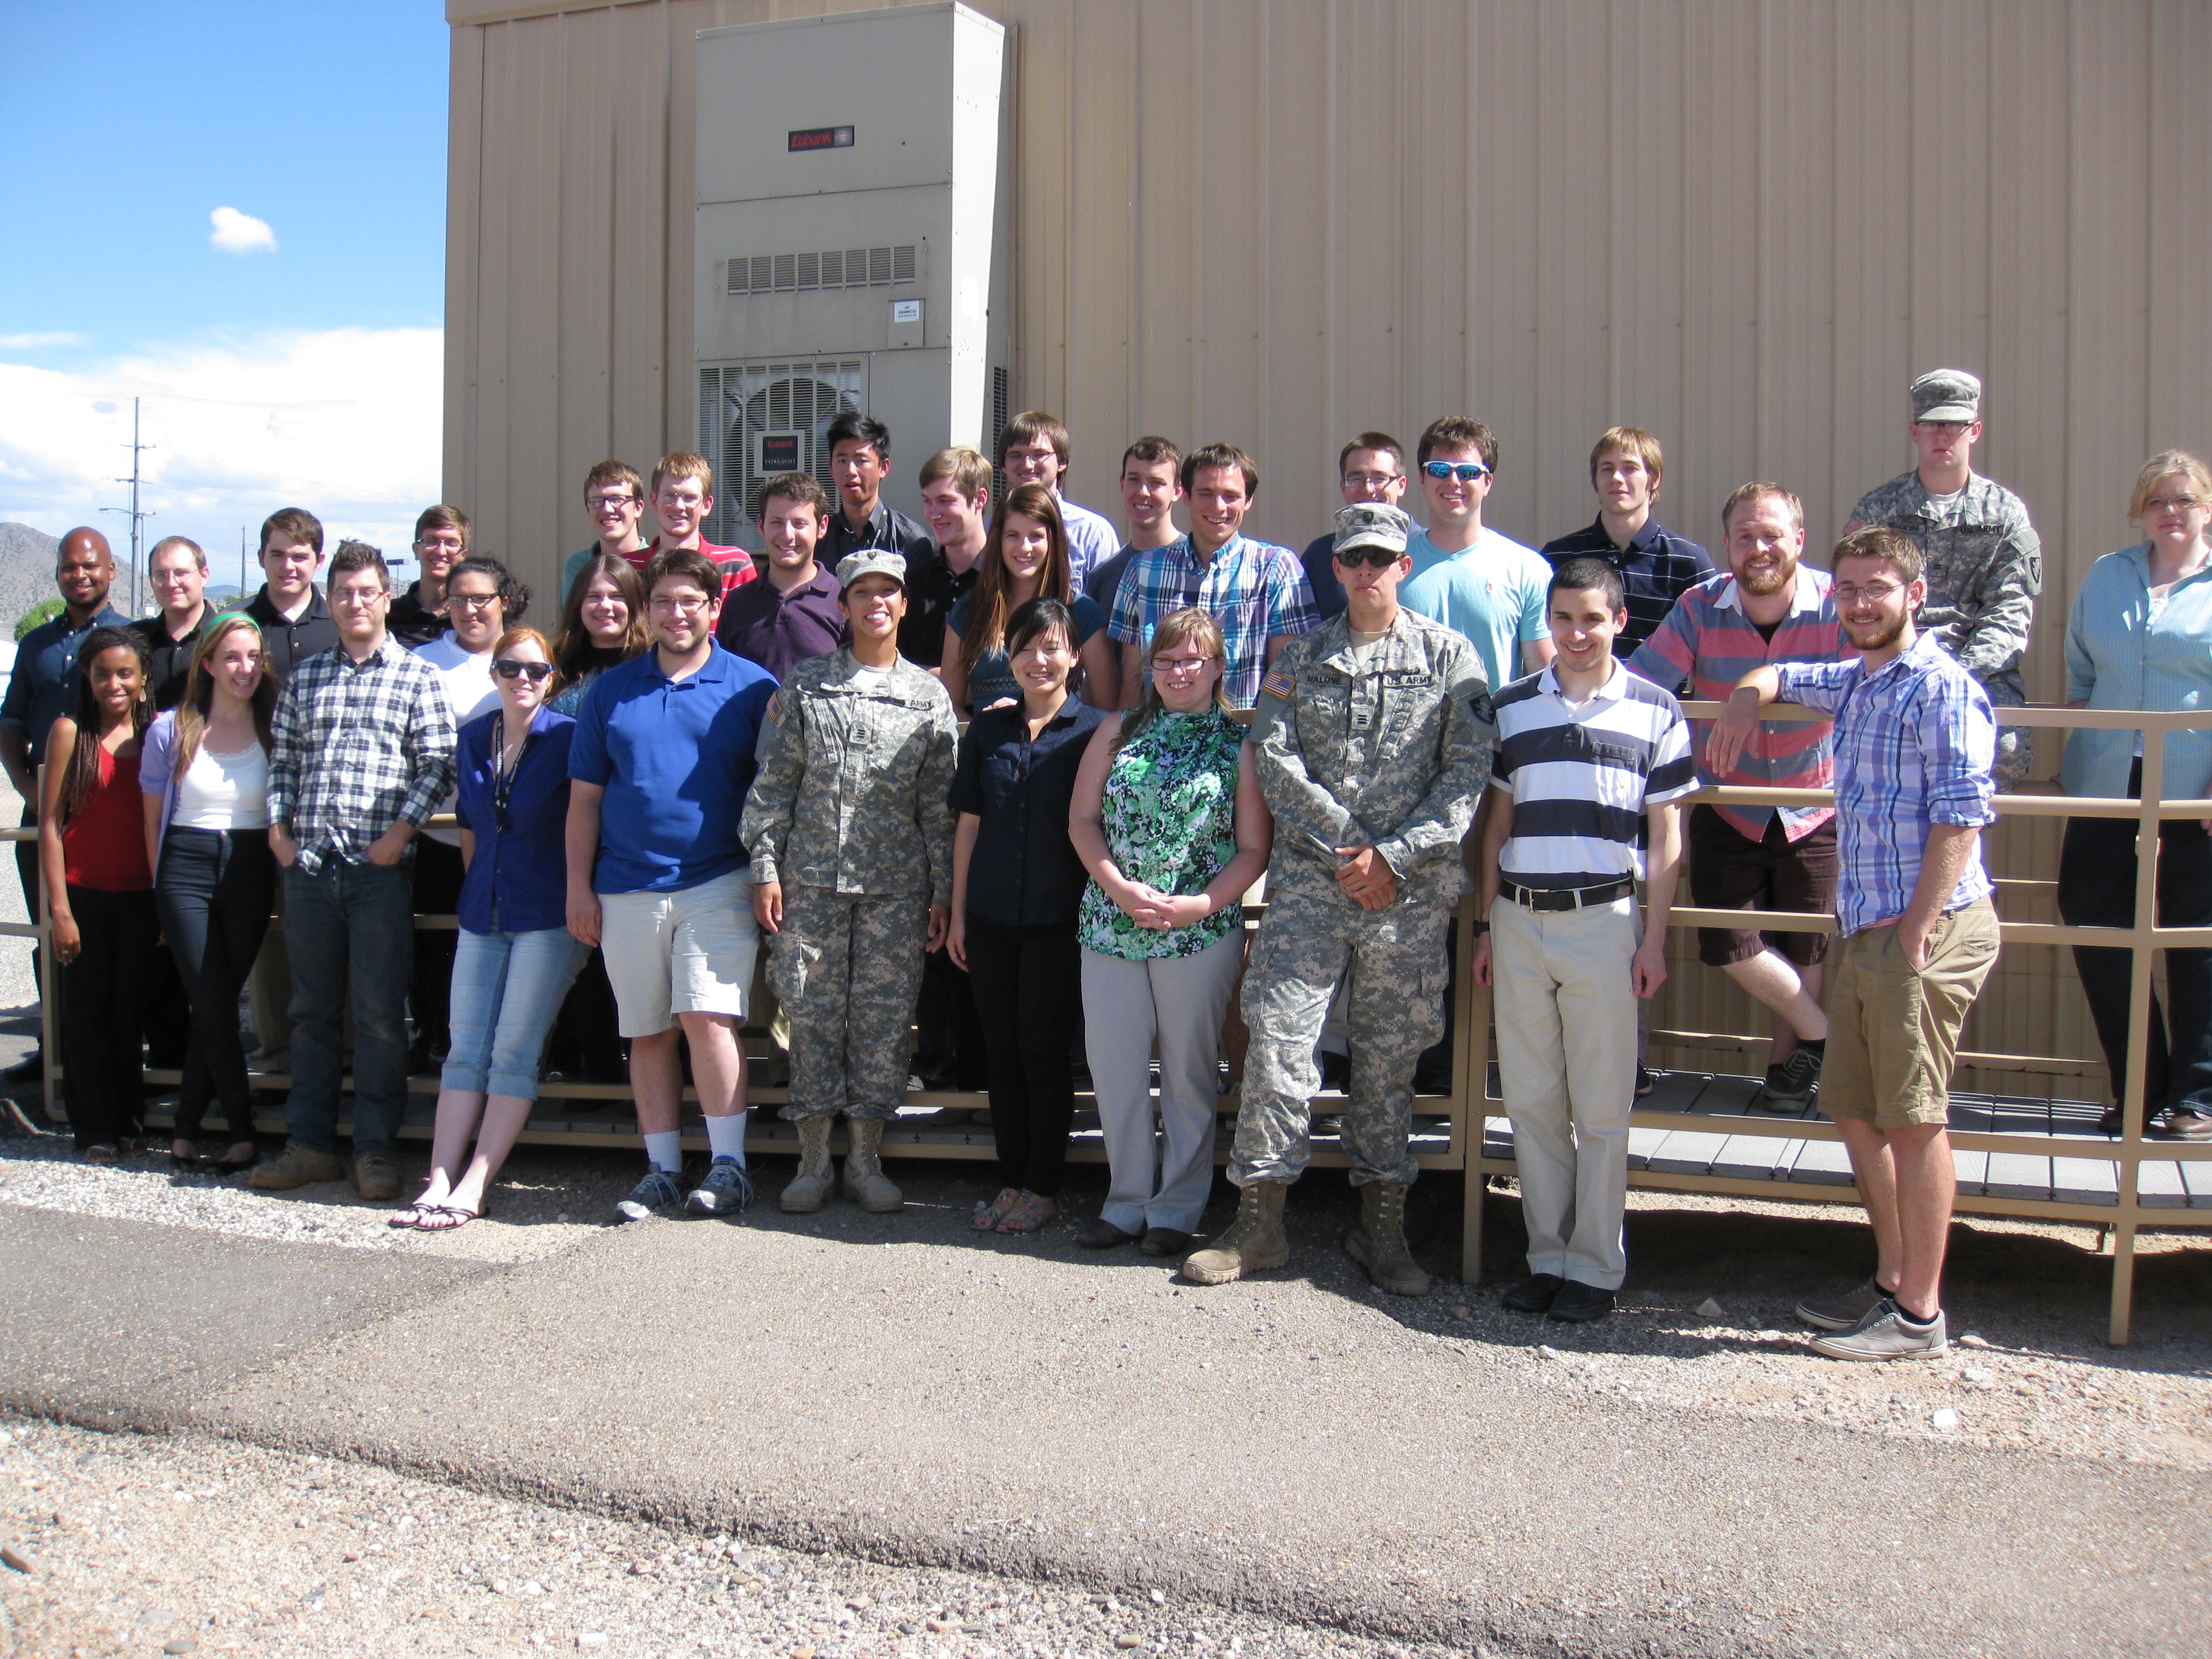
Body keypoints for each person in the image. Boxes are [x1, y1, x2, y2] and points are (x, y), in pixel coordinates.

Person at [1183, 504, 1493, 1295]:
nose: (1365, 572)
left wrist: (1393, 856)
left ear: (1404, 566)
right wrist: (1352, 847)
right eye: (1353, 558)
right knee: (1278, 1044)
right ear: (1337, 567)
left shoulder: (1450, 657)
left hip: (1407, 896)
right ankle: (1260, 1223)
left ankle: (1380, 1228)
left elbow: (1467, 773)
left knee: (1388, 1061)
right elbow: (1274, 756)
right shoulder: (1301, 658)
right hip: (1313, 891)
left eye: (1380, 559)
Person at [1709, 526, 2001, 1362]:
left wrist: (1916, 929)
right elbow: (1788, 675)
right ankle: (1892, 1281)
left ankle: (1919, 1315)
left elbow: (1961, 815)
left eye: (1879, 588)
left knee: (1914, 1119)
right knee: (1855, 1108)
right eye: (1848, 589)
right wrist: (1745, 694)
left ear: (1916, 594)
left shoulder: (1940, 688)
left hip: (1922, 931)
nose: (1862, 603)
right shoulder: (1860, 680)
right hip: (1868, 929)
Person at [1474, 558, 1696, 1324]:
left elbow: (1667, 838)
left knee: (1601, 1107)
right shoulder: (1513, 707)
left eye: (1592, 619)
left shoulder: (1657, 709)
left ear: (1619, 621)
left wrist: (1653, 940)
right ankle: (1547, 1257)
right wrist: (1486, 925)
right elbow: (1496, 827)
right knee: (1532, 1101)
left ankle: (1597, 1268)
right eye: (1563, 618)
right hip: (1518, 920)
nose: (1576, 634)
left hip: (1605, 922)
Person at [742, 551, 959, 1215]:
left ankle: (865, 1159)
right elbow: (775, 783)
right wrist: (765, 867)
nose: (876, 603)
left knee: (883, 1021)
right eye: (862, 592)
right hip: (810, 883)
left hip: (897, 889)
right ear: (844, 605)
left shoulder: (927, 695)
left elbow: (939, 805)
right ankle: (812, 1160)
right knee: (809, 1015)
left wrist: (943, 891)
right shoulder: (808, 685)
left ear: (904, 605)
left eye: (888, 592)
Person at [567, 549, 777, 1222]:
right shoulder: (611, 692)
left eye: (690, 601)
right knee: (649, 1031)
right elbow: (585, 800)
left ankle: (729, 1167)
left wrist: (768, 874)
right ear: (647, 610)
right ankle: (661, 1170)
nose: (676, 613)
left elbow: (775, 792)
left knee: (707, 1017)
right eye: (663, 601)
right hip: (625, 886)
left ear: (715, 608)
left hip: (718, 878)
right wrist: (578, 888)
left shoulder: (752, 688)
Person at [253, 542, 458, 1202]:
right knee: (311, 1014)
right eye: (343, 592)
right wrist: (280, 834)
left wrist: (399, 836)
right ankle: (309, 1145)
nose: (354, 603)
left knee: (378, 1016)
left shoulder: (417, 677)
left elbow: (438, 763)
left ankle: (374, 1149)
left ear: (385, 598)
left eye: (367, 591)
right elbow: (284, 762)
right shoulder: (306, 678)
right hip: (311, 868)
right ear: (331, 598)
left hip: (379, 871)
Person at [1629, 483, 1846, 1106]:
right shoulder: (1700, 605)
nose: (1759, 548)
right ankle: (1825, 1036)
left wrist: (1757, 693)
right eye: (1745, 536)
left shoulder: (1838, 604)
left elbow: (1863, 677)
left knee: (1805, 944)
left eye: (1772, 535)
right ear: (1726, 544)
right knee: (1727, 941)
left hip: (1816, 803)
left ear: (1799, 540)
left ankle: (1788, 1068)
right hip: (1727, 803)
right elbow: (1645, 681)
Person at [1069, 608, 1270, 1256]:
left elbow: (1253, 849)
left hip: (1197, 931)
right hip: (1112, 925)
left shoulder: (1239, 745)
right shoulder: (1117, 730)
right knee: (1116, 1068)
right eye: (1166, 660)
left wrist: (1199, 905)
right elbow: (1082, 820)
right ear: (1150, 668)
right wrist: (1120, 890)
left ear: (1218, 667)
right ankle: (1126, 1201)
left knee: (1188, 1070)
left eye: (1192, 660)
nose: (1178, 672)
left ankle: (1177, 1209)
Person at [395, 626, 589, 1230]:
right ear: (494, 674)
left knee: (512, 1052)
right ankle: (439, 1177)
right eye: (510, 668)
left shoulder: (568, 738)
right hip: (483, 911)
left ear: (551, 679)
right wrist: (480, 887)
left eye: (535, 670)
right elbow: (471, 826)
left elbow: (586, 821)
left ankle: (477, 1181)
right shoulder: (474, 737)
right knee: (464, 1051)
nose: (522, 679)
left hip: (547, 915)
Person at [2058, 451, 2212, 1142]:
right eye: (2156, 501)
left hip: (2195, 791)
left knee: (2194, 937)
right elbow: (2081, 669)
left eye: (2184, 500)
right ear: (2140, 512)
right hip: (2108, 782)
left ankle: (2198, 1097)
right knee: (2095, 923)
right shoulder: (2108, 575)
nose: (2169, 512)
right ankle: (2140, 1087)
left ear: (2207, 509)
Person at [949, 598, 1108, 1233]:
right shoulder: (988, 730)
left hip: (1058, 920)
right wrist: (959, 914)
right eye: (1025, 648)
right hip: (990, 915)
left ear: (1075, 656)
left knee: (1042, 1054)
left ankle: (1042, 1188)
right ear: (1008, 658)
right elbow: (969, 825)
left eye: (1052, 647)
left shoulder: (1098, 731)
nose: (1038, 660)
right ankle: (1010, 1180)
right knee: (1001, 1054)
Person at [1843, 369, 2041, 787]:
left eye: (1955, 425)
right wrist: (1906, 669)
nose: (1943, 435)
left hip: (1980, 672)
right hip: (1894, 663)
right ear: (1915, 431)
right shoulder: (1880, 509)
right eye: (1932, 424)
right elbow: (1858, 599)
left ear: (1975, 431)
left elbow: (2010, 613)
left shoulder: (2005, 514)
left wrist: (1954, 675)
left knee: (2003, 752)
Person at [139, 612, 279, 1173]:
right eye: (232, 657)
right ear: (208, 664)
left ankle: (186, 1126)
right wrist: (158, 892)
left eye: (254, 657)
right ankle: (242, 1132)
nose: (245, 668)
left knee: (215, 1003)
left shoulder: (275, 725)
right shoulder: (170, 730)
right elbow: (152, 822)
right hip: (184, 867)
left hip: (250, 867)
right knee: (214, 1000)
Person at [0, 527, 128, 1084]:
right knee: (50, 929)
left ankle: (119, 1051)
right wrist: (31, 791)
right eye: (69, 567)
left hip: (111, 811)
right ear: (57, 573)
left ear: (110, 571)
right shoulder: (36, 646)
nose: (80, 575)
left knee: (114, 932)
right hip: (46, 811)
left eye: (90, 565)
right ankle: (54, 1047)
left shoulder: (129, 638)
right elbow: (10, 724)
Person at [406, 555, 529, 1076]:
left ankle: (512, 1056)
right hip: (439, 832)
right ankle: (439, 1040)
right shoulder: (421, 662)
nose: (470, 609)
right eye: (459, 599)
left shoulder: (526, 655)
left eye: (482, 598)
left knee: (511, 944)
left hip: (515, 838)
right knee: (438, 944)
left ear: (504, 601)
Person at [39, 628, 156, 1161]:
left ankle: (128, 1116)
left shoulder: (156, 734)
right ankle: (93, 1128)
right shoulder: (70, 732)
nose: (114, 684)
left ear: (143, 677)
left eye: (125, 673)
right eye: (102, 674)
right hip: (83, 895)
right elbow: (50, 824)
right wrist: (59, 910)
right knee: (85, 1012)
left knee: (128, 1011)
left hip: (140, 897)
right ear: (87, 679)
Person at [543, 554, 651, 1084]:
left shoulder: (655, 667)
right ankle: (596, 1075)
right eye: (593, 596)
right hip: (564, 831)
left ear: (635, 605)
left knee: (641, 970)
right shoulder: (555, 670)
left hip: (631, 842)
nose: (605, 606)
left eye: (616, 596)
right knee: (581, 959)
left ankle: (654, 1083)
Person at [1108, 441, 1318, 710]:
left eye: (1231, 496)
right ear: (1186, 496)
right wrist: (1126, 733)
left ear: (1249, 500)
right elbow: (1133, 682)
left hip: (1244, 732)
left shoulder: (1277, 569)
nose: (1218, 506)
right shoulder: (1143, 570)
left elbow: (1286, 677)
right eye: (1206, 493)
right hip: (1161, 733)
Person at [1397, 416, 1555, 691]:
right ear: (1422, 478)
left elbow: (1544, 678)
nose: (1453, 481)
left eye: (1468, 472)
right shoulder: (1391, 566)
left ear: (1488, 482)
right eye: (1439, 470)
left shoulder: (1527, 569)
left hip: (1495, 721)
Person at [943, 484, 1117, 716]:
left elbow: (1106, 711)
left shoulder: (1082, 612)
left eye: (1036, 536)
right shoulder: (969, 611)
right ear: (998, 541)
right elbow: (949, 706)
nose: (1024, 547)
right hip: (984, 737)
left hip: (1060, 738)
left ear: (1053, 541)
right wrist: (988, 728)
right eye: (1013, 535)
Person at [1540, 426, 1713, 657]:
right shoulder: (1557, 557)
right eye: (1607, 469)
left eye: (1630, 468)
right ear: (1595, 479)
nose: (1616, 478)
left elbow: (1713, 645)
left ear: (1654, 479)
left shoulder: (1689, 563)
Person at [715, 471, 848, 680]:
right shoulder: (737, 604)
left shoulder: (843, 602)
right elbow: (722, 679)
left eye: (799, 523)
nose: (788, 535)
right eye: (777, 522)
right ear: (761, 525)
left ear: (822, 527)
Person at [999, 410, 1120, 586]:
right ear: (1003, 465)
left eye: (1039, 454)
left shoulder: (1093, 533)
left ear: (1062, 462)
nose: (1027, 465)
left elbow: (1108, 599)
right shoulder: (990, 530)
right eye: (1016, 455)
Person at [1299, 433, 1410, 622]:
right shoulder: (1320, 555)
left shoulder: (1427, 549)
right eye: (1356, 479)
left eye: (1380, 478)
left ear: (1401, 485)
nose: (1368, 489)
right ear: (1343, 487)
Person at [905, 446, 992, 672]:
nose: (933, 514)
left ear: (980, 499)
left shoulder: (1006, 580)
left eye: (945, 500)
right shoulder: (914, 583)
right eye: (927, 501)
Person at [1084, 437, 1184, 620]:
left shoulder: (1197, 564)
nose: (1143, 492)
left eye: (1156, 482)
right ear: (1122, 484)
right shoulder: (1102, 577)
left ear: (1177, 491)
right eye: (1134, 480)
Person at [822, 412, 934, 571]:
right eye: (842, 461)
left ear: (883, 468)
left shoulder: (910, 540)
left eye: (861, 460)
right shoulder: (818, 536)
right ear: (831, 468)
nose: (850, 471)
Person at [243, 507, 340, 682]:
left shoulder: (341, 622)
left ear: (319, 561)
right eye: (278, 555)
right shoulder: (237, 622)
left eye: (299, 557)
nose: (288, 566)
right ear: (262, 558)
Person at [645, 452, 758, 599]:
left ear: (706, 505)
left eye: (690, 498)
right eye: (669, 496)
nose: (679, 506)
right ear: (654, 501)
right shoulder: (629, 568)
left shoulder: (734, 565)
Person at [131, 535, 213, 711]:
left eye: (181, 573)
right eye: (161, 575)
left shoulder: (228, 636)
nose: (171, 583)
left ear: (204, 575)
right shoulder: (132, 640)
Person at [558, 460, 652, 601]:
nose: (607, 509)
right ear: (588, 511)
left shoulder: (656, 565)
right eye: (597, 501)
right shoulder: (577, 567)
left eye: (617, 499)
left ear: (638, 508)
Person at [388, 506, 471, 648]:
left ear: (464, 555)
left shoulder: (472, 618)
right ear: (416, 550)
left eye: (451, 543)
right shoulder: (387, 618)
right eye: (431, 541)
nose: (441, 551)